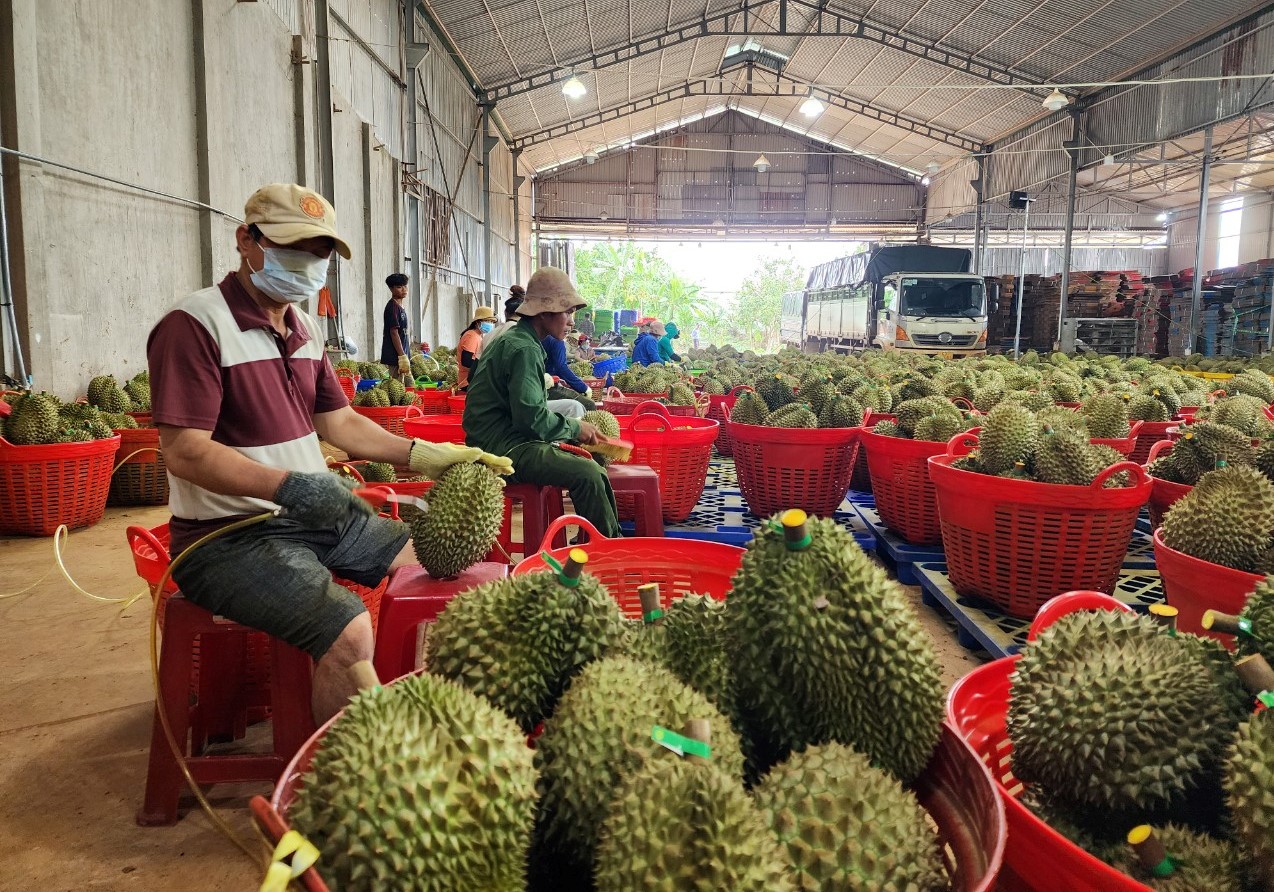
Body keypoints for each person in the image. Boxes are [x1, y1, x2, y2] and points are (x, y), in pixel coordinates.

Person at [147, 183, 511, 724]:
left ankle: (437, 719)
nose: (309, 264)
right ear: (247, 240)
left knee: (445, 566)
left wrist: (428, 455)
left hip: (316, 518)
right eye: (295, 249)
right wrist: (288, 486)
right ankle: (338, 785)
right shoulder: (196, 324)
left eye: (319, 253)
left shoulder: (305, 328)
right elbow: (185, 452)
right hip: (227, 539)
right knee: (348, 632)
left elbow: (338, 422)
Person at [463, 267, 620, 537]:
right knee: (589, 475)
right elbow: (531, 419)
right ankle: (604, 554)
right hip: (502, 446)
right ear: (545, 313)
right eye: (567, 312)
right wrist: (575, 427)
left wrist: (572, 431)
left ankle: (593, 543)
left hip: (506, 436)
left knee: (594, 467)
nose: (572, 322)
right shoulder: (523, 348)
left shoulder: (522, 340)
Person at [543, 330, 595, 410]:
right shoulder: (556, 340)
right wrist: (583, 387)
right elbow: (561, 368)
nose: (571, 322)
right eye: (566, 317)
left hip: (542, 385)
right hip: (547, 388)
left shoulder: (538, 337)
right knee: (589, 404)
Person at [456, 306, 497, 391]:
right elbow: (466, 361)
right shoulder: (472, 336)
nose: (490, 324)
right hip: (468, 382)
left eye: (492, 322)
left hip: (473, 380)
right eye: (487, 321)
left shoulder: (477, 336)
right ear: (478, 322)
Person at [379, 272, 412, 376]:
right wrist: (401, 356)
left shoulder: (400, 306)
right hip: (396, 357)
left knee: (409, 387)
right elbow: (394, 332)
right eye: (399, 287)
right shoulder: (392, 308)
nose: (404, 289)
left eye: (405, 286)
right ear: (391, 289)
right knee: (397, 387)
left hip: (403, 355)